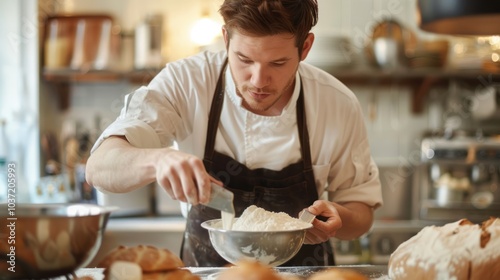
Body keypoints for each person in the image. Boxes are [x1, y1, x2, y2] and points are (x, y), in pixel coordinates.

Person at [86, 0, 383, 267]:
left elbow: (362, 212)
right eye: (244, 59)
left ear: (305, 47)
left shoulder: (337, 103)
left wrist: (340, 218)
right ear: (226, 38)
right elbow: (99, 167)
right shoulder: (186, 82)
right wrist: (157, 161)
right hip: (207, 273)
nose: (258, 81)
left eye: (278, 63)